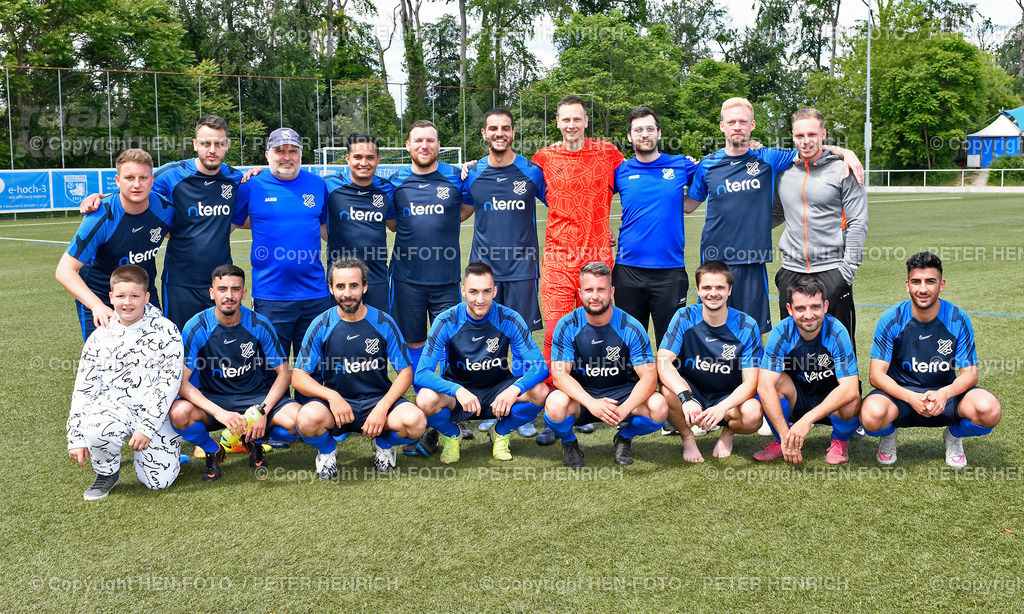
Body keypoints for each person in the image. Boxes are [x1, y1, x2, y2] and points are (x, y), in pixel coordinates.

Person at [684, 98, 862, 334]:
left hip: (753, 261)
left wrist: (844, 152)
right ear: (722, 126)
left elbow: (808, 147)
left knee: (751, 332)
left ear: (753, 125)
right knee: (710, 329)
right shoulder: (707, 164)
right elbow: (688, 206)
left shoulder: (769, 158)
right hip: (715, 261)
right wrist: (670, 180)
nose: (737, 126)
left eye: (743, 121)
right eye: (732, 121)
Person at [80, 115, 247, 331]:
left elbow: (254, 208)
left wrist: (257, 173)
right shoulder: (172, 174)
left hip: (221, 282)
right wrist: (101, 197)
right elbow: (136, 188)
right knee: (179, 347)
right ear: (195, 144)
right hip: (179, 283)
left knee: (219, 342)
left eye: (219, 143)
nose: (212, 149)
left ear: (227, 145)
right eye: (205, 143)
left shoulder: (236, 179)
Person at [860, 252, 1001, 467]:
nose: (923, 289)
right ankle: (888, 434)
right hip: (901, 399)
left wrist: (944, 393)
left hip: (945, 396)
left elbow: (970, 373)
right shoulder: (891, 319)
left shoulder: (958, 318)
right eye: (916, 281)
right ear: (907, 285)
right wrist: (910, 397)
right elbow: (876, 375)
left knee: (989, 409)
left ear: (941, 284)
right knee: (870, 415)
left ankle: (953, 435)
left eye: (930, 281)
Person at [292, 257, 426, 476]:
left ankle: (384, 444)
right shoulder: (321, 324)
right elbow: (298, 376)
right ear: (331, 289)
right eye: (340, 286)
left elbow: (405, 372)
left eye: (354, 285)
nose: (347, 293)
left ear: (365, 286)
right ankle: (327, 451)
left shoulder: (383, 322)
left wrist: (382, 408)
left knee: (416, 422)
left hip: (377, 401)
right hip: (338, 407)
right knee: (306, 419)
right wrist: (332, 397)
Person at [169, 265, 303, 481]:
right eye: (222, 289)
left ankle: (254, 441)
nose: (229, 296)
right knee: (178, 414)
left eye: (235, 289)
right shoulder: (196, 326)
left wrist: (262, 412)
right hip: (215, 400)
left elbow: (284, 373)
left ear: (244, 293)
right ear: (212, 293)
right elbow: (182, 382)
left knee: (302, 422)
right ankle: (213, 450)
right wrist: (219, 413)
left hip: (255, 398)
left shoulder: (259, 324)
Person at [462, 108, 547, 439]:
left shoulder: (531, 172)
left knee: (523, 341)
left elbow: (563, 205)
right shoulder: (472, 173)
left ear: (513, 133)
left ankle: (522, 409)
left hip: (522, 269)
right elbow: (460, 212)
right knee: (488, 342)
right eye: (493, 128)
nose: (500, 133)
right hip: (484, 275)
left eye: (506, 128)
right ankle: (489, 405)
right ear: (483, 133)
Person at [67, 265, 184, 500]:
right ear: (110, 297)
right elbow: (85, 388)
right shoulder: (100, 336)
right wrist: (76, 436)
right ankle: (106, 473)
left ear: (147, 296)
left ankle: (166, 452)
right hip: (115, 409)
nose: (127, 302)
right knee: (97, 428)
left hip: (154, 414)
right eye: (120, 296)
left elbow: (169, 384)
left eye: (134, 296)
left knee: (158, 483)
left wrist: (147, 426)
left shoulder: (166, 331)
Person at [414, 262, 550, 463]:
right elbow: (422, 373)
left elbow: (540, 367)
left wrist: (514, 390)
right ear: (463, 291)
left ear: (494, 291)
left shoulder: (509, 319)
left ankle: (500, 431)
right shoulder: (446, 321)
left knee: (540, 392)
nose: (480, 299)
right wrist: (456, 390)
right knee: (425, 399)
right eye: (473, 291)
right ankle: (453, 434)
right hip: (458, 393)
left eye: (486, 291)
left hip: (498, 390)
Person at [544, 262, 667, 467]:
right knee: (555, 404)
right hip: (582, 395)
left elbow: (649, 377)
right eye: (589, 290)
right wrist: (591, 403)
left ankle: (624, 436)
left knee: (659, 407)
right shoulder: (567, 325)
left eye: (601, 289)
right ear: (580, 292)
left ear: (611, 291)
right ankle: (569, 442)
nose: (595, 296)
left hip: (621, 394)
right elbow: (559, 375)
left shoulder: (630, 326)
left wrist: (625, 408)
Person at [532, 95, 624, 362]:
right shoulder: (544, 157)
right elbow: (511, 173)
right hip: (558, 260)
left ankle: (598, 385)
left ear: (585, 121)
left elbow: (637, 179)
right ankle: (554, 394)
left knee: (597, 330)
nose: (571, 124)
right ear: (558, 123)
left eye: (576, 119)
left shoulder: (608, 153)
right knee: (554, 333)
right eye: (566, 119)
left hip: (597, 258)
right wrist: (471, 168)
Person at [231, 127, 332, 361]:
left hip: (315, 295)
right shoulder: (250, 186)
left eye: (293, 151)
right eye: (279, 151)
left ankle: (311, 400)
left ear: (300, 154)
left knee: (313, 366)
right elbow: (227, 227)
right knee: (273, 367)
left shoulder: (318, 185)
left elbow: (326, 230)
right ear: (267, 155)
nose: (287, 157)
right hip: (271, 296)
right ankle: (278, 400)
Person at [57, 148, 174, 340]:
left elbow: (188, 234)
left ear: (152, 180)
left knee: (153, 357)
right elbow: (64, 271)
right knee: (105, 365)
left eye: (143, 178)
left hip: (144, 296)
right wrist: (96, 306)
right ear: (118, 181)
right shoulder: (99, 217)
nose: (137, 185)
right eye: (129, 178)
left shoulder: (165, 209)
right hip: (101, 297)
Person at [773, 108, 868, 342]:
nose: (806, 141)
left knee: (839, 346)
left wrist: (846, 272)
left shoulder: (843, 169)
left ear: (823, 134)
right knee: (791, 347)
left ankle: (848, 382)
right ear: (792, 136)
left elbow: (858, 221)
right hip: (791, 271)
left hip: (832, 271)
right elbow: (776, 213)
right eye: (800, 136)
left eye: (812, 135)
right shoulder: (783, 171)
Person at [656, 260, 763, 462]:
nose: (713, 293)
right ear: (697, 289)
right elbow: (663, 361)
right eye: (706, 287)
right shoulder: (684, 316)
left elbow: (751, 382)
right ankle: (687, 438)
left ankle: (728, 433)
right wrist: (686, 397)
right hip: (691, 393)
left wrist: (723, 407)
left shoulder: (747, 325)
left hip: (727, 397)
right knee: (666, 392)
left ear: (730, 290)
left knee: (753, 414)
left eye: (720, 287)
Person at [388, 120, 471, 376]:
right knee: (412, 341)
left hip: (446, 280)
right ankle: (422, 397)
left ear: (438, 145)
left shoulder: (457, 176)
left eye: (430, 140)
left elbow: (465, 210)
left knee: (449, 341)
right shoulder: (394, 181)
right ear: (408, 145)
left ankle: (447, 403)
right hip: (406, 279)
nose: (424, 146)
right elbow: (392, 223)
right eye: (418, 140)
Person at [755, 275, 862, 465]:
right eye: (800, 308)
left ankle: (840, 441)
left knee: (851, 398)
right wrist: (786, 436)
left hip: (831, 402)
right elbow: (764, 387)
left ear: (825, 306)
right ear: (789, 309)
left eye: (815, 307)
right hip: (800, 398)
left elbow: (850, 388)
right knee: (770, 383)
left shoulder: (837, 331)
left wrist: (806, 421)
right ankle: (783, 442)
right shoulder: (781, 332)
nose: (808, 314)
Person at [613, 107, 696, 347]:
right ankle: (634, 386)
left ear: (659, 133)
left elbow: (714, 171)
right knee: (629, 345)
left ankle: (670, 385)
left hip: (670, 272)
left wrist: (752, 147)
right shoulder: (620, 171)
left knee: (670, 346)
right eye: (638, 130)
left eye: (650, 129)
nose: (644, 134)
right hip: (628, 271)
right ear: (629, 136)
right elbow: (594, 199)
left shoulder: (681, 165)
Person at [324, 132, 396, 311]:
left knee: (378, 331)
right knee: (338, 333)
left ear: (378, 160)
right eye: (358, 157)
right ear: (347, 159)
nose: (364, 163)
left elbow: (394, 225)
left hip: (377, 278)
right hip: (340, 278)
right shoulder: (328, 186)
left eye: (370, 157)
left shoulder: (388, 189)